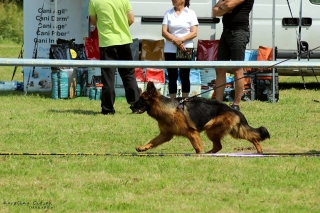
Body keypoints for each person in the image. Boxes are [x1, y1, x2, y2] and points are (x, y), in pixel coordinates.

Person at [88, 0, 140, 115]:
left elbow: (93, 21)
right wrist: (121, 28)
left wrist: (105, 28)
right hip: (124, 41)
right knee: (128, 75)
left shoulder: (94, 1)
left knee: (108, 77)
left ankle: (107, 109)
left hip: (107, 42)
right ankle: (137, 106)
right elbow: (131, 18)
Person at [212, 0, 254, 111]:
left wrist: (225, 7)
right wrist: (225, 8)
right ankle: (218, 103)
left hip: (239, 32)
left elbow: (227, 4)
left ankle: (236, 104)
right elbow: (214, 11)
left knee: (237, 69)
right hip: (226, 31)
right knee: (220, 69)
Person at [162, 0, 199, 99]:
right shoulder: (168, 13)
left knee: (185, 75)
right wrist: (176, 41)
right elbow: (164, 32)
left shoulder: (191, 13)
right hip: (170, 50)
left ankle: (185, 101)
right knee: (172, 76)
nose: (172, 0)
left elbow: (194, 32)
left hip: (186, 49)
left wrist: (181, 40)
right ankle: (172, 101)